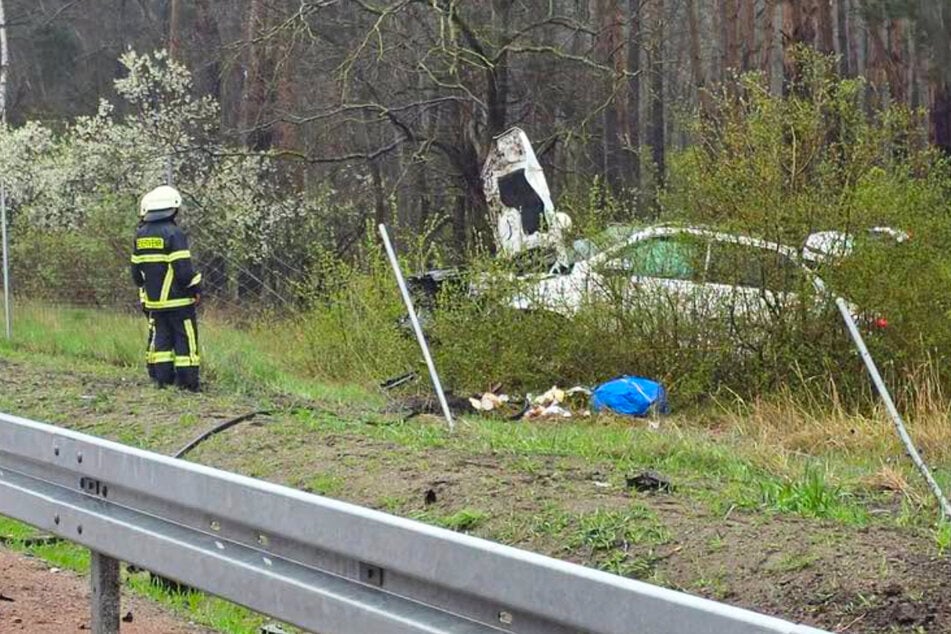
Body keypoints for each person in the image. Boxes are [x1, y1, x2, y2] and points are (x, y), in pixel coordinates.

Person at [131, 186, 203, 391]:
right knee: (185, 338)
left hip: (154, 303)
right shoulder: (174, 234)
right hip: (179, 301)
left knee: (161, 340)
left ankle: (163, 379)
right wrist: (196, 287)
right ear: (173, 209)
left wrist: (147, 291)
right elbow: (183, 271)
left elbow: (136, 273)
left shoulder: (140, 235)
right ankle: (188, 382)